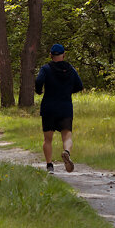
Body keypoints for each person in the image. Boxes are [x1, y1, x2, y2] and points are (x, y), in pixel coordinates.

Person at [34, 43, 84, 172]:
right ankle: (66, 151)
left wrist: (39, 90)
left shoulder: (46, 69)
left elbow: (39, 81)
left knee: (48, 139)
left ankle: (50, 166)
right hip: (65, 107)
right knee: (67, 136)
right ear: (64, 55)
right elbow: (79, 86)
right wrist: (67, 91)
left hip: (49, 107)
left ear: (51, 55)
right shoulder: (71, 69)